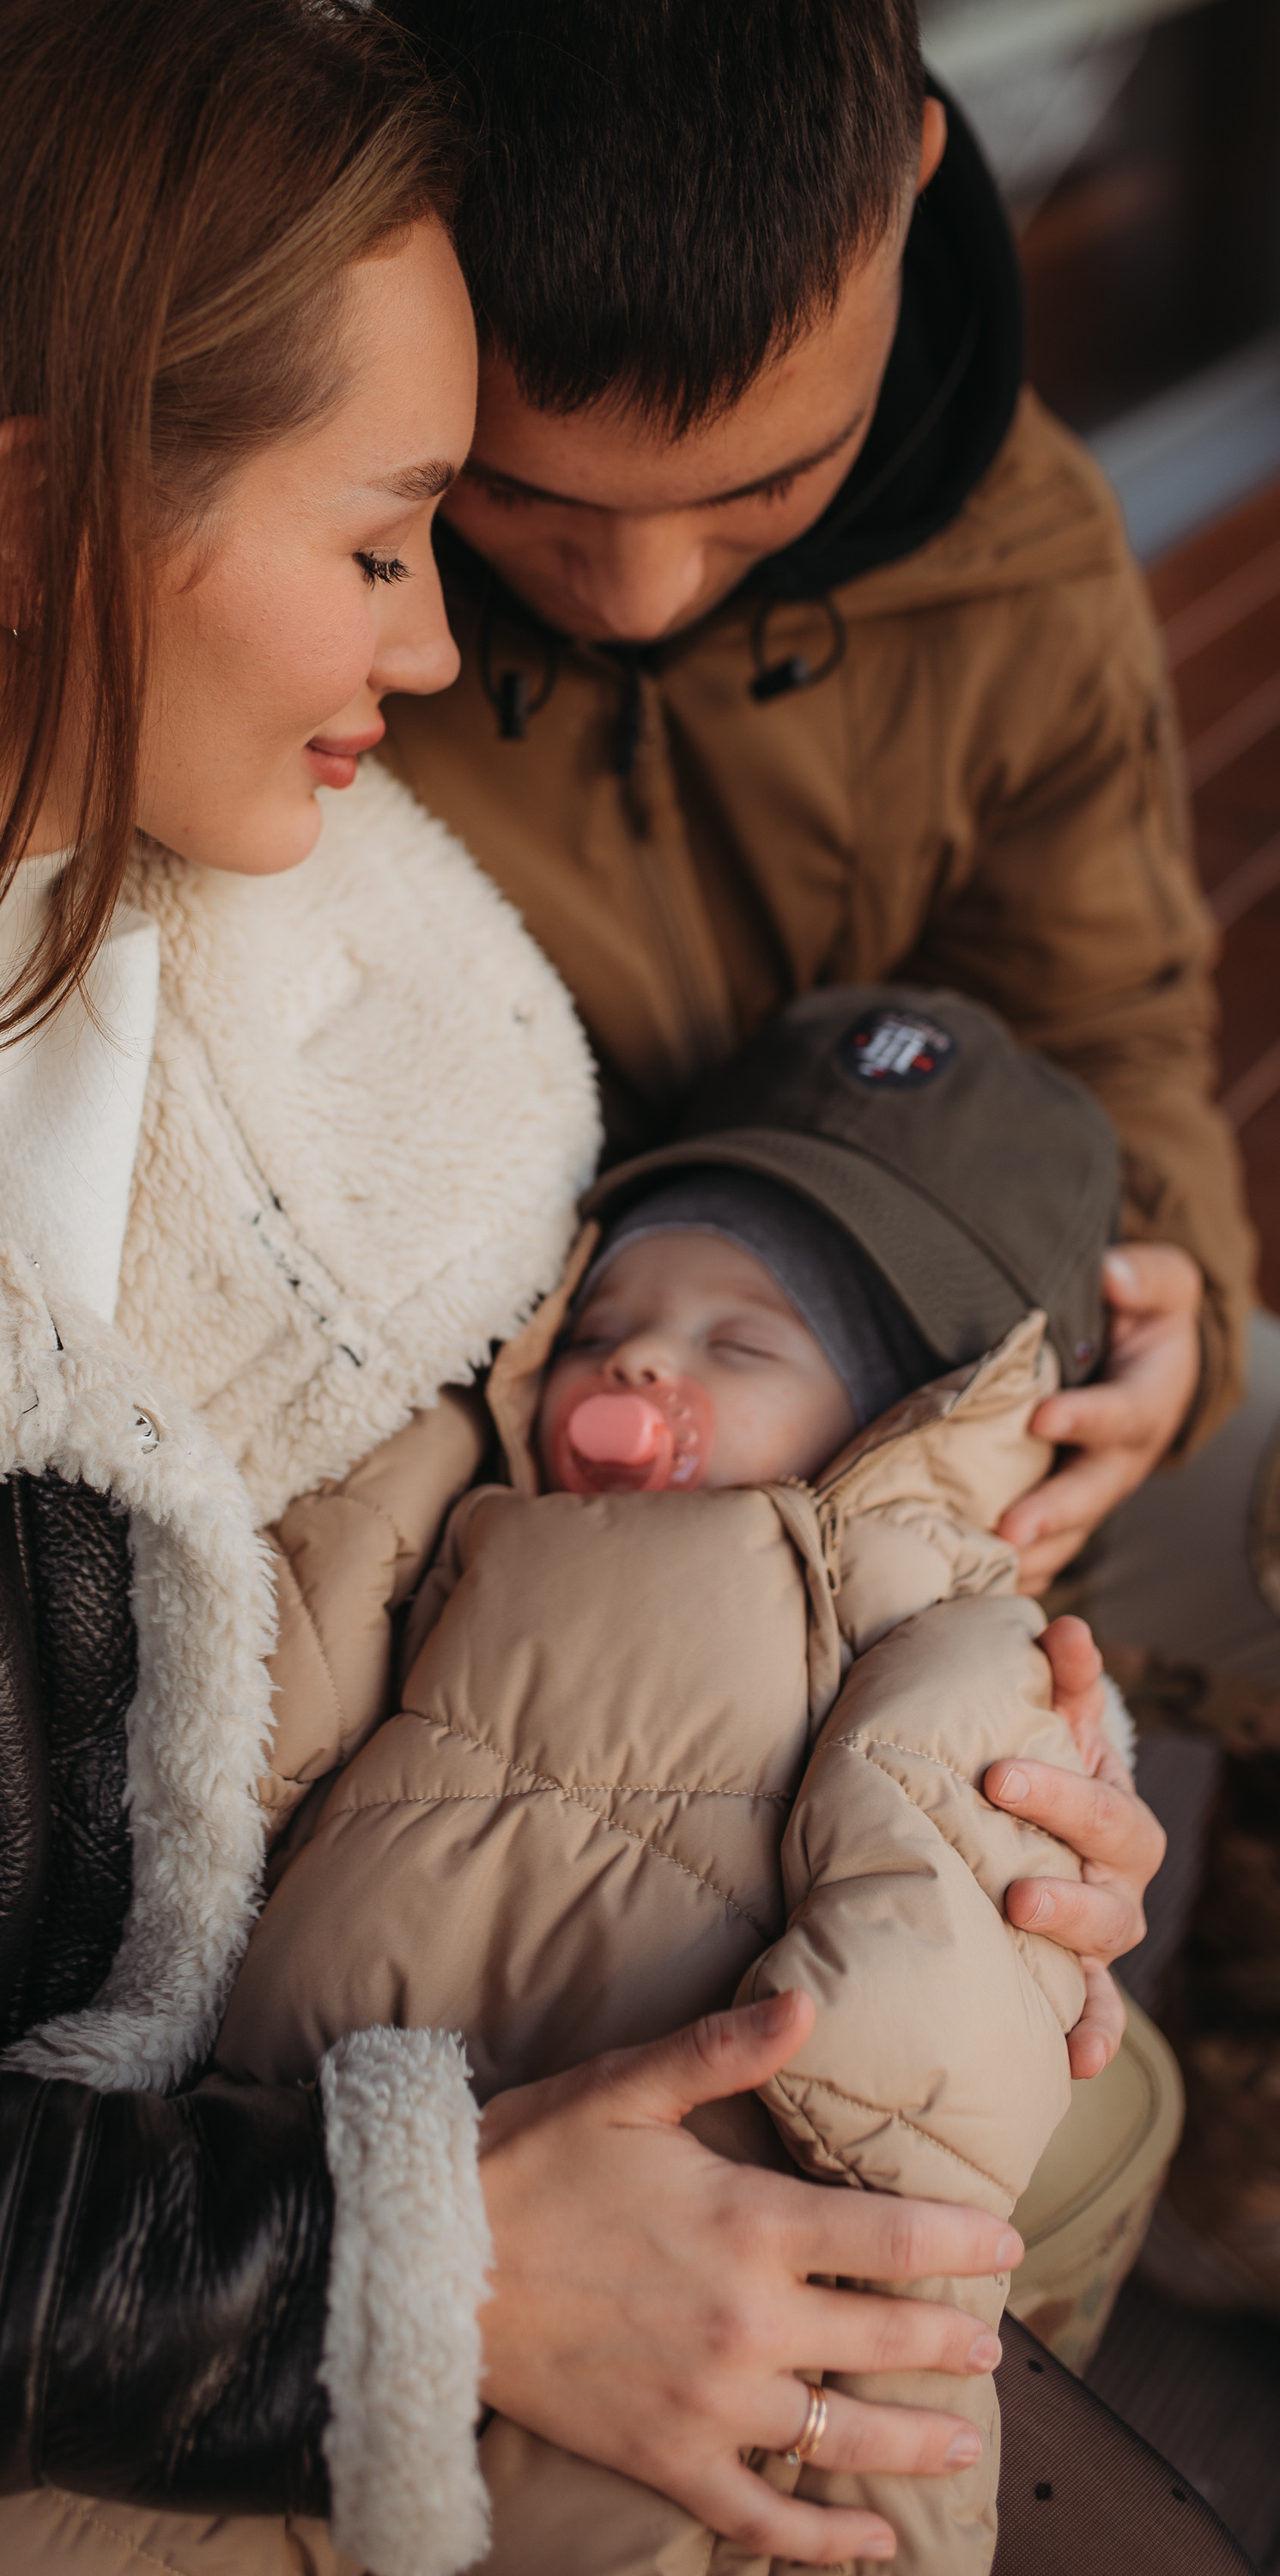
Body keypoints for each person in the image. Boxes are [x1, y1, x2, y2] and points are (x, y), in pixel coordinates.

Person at [0, 8, 1174, 2576]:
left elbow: (526, 1602)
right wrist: (400, 2278)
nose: (442, 651)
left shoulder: (384, 993)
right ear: (36, 524)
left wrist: (936, 1765)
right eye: (394, 530)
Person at [374, 0, 1273, 2310]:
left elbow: (1108, 1020)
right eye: (527, 502)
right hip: (574, 1431)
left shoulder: (1025, 543)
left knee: (1260, 1439)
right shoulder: (333, 564)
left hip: (922, 1286)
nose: (645, 588)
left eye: (758, 494)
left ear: (912, 193)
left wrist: (1157, 1296)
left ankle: (1237, 1991)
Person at [213, 987, 1146, 2575]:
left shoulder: (922, 1642)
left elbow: (902, 2111)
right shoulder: (449, 1506)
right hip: (274, 2192)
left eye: (745, 1341)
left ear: (922, 1418)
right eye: (600, 1322)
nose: (640, 1354)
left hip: (670, 2280)